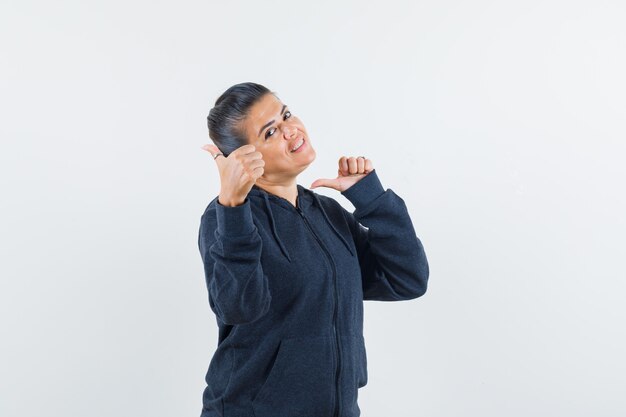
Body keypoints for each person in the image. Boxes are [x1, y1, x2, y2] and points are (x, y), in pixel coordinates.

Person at [198, 82, 429, 417]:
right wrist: (233, 206)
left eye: (286, 114)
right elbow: (238, 308)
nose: (291, 130)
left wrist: (373, 201)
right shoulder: (227, 218)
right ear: (243, 159)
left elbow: (407, 280)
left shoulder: (329, 214)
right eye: (271, 131)